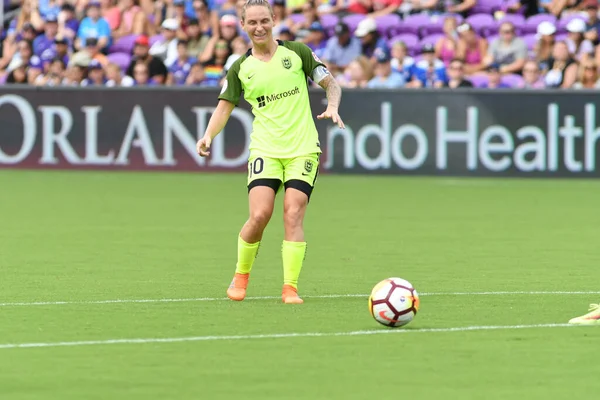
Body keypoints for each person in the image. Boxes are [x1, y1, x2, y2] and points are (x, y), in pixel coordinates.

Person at [196, 0, 344, 304]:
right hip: (266, 149)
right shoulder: (240, 68)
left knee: (293, 212)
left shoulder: (297, 53)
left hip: (303, 148)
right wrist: (208, 135)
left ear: (274, 19)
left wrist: (332, 105)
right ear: (243, 26)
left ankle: (290, 288)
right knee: (260, 215)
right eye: (252, 22)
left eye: (264, 20)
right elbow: (224, 108)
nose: (259, 27)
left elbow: (331, 84)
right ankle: (241, 276)